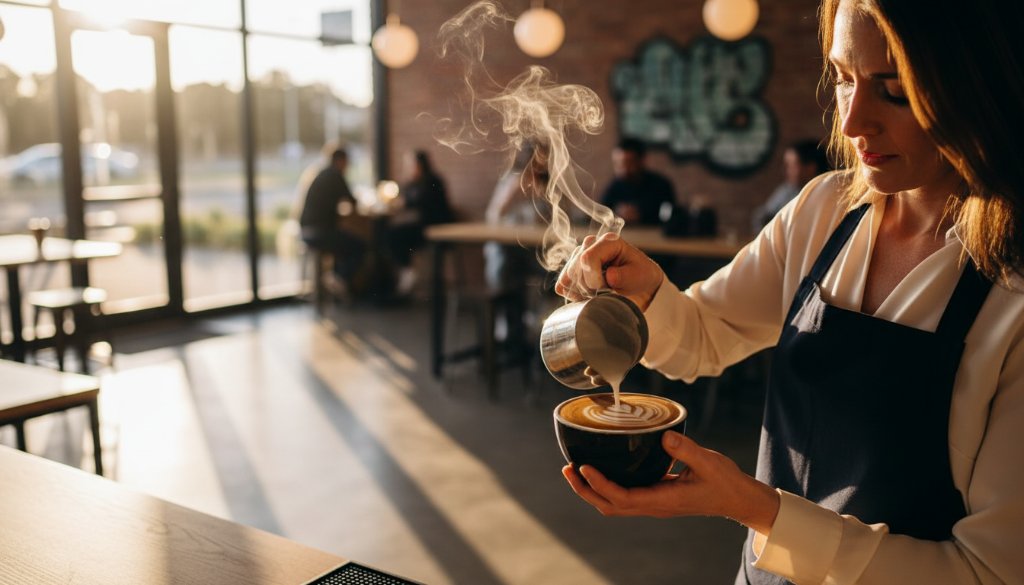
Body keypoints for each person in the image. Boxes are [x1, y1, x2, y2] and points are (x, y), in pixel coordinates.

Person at [555, 0, 1024, 583]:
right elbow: (707, 335)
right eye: (845, 78)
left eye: (895, 90)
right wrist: (648, 291)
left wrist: (751, 507)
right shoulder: (826, 209)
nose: (852, 122)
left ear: (979, 84)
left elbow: (990, 572)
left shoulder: (1012, 293)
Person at [388, 150, 454, 296]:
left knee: (393, 234)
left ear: (418, 165)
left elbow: (418, 202)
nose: (407, 169)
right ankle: (407, 272)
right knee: (393, 233)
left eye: (410, 165)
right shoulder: (415, 182)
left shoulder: (432, 181)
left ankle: (408, 271)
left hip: (436, 228)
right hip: (425, 226)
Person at [299, 147, 365, 292]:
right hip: (321, 232)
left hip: (306, 231)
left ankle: (335, 279)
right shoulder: (336, 175)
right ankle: (339, 278)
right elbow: (352, 201)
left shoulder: (321, 174)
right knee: (359, 246)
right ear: (341, 161)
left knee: (343, 243)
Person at [751, 139, 831, 231]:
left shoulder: (829, 195)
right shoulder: (786, 191)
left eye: (792, 165)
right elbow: (762, 216)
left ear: (810, 168)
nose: (785, 171)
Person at [600, 137, 676, 226]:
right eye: (618, 164)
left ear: (641, 160)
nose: (624, 169)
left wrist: (641, 215)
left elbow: (670, 218)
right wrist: (617, 214)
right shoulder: (614, 186)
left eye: (629, 163)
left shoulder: (661, 185)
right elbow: (602, 214)